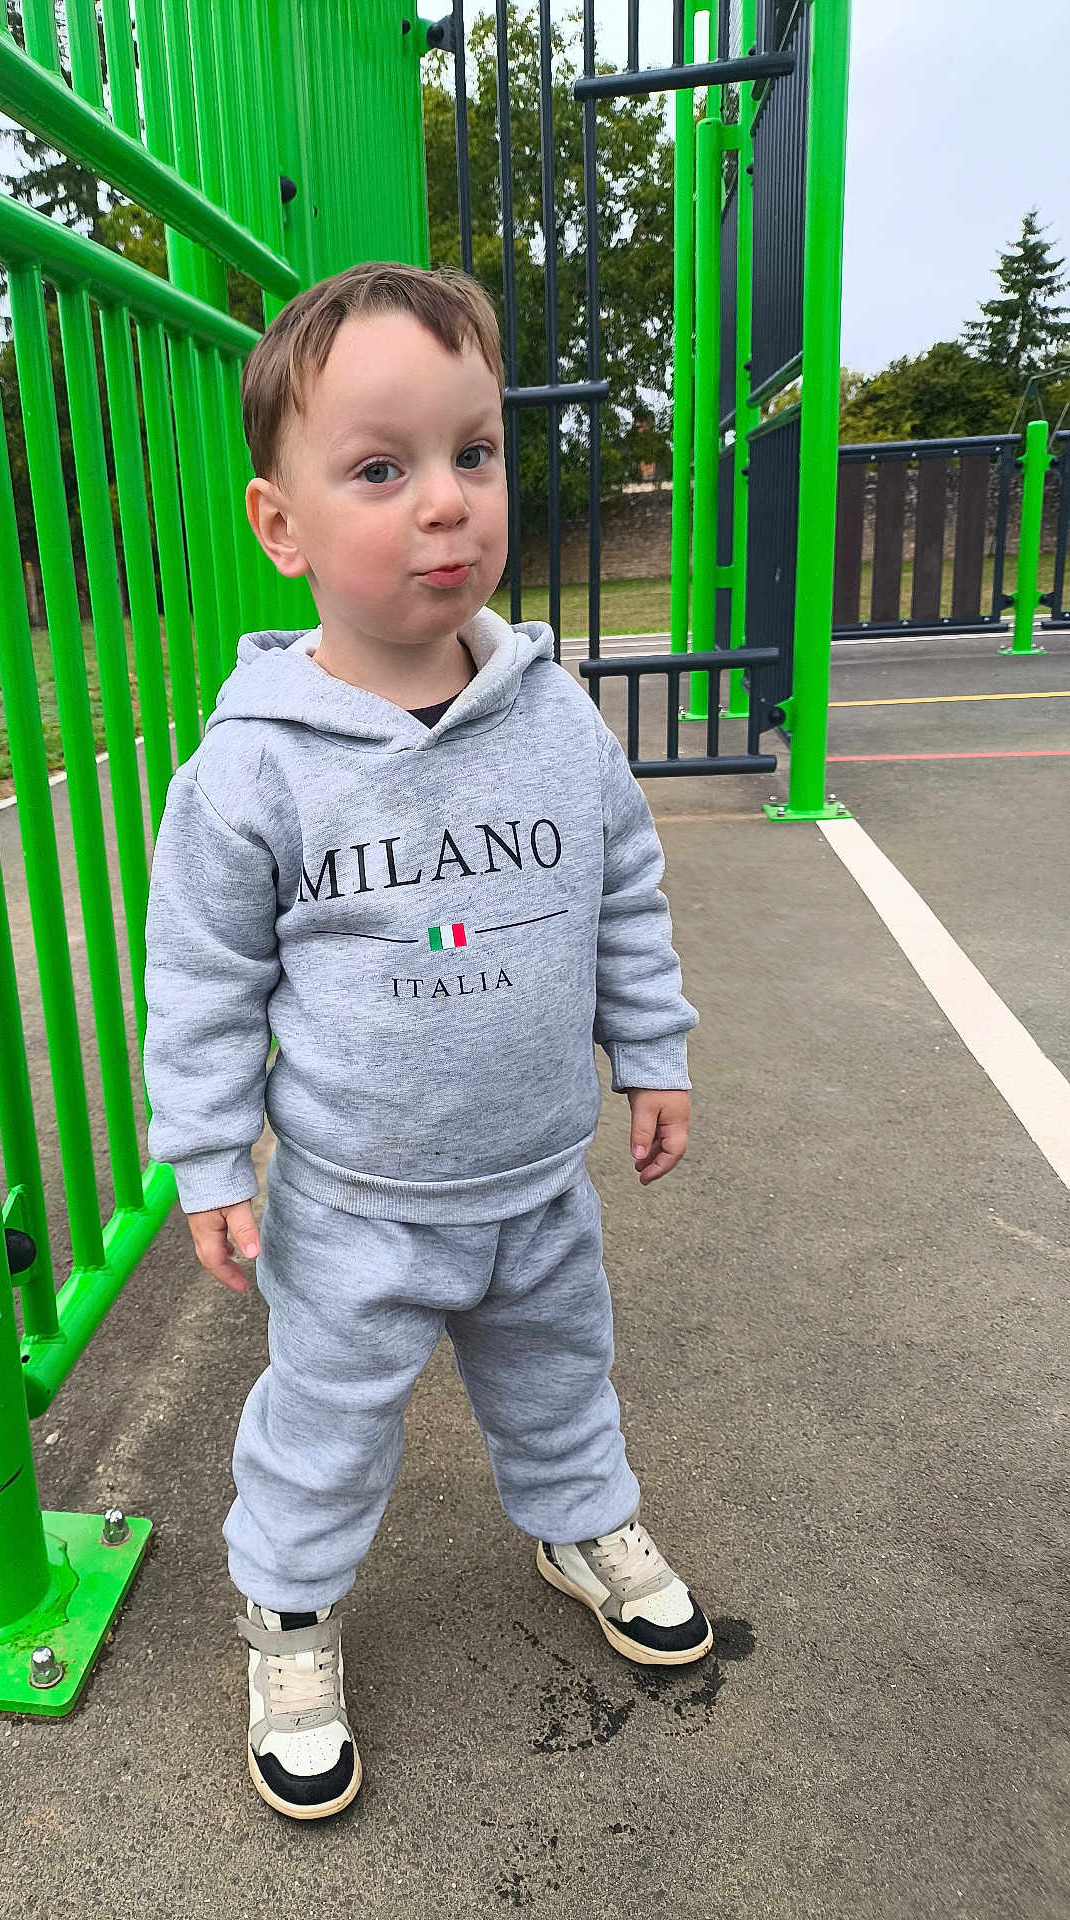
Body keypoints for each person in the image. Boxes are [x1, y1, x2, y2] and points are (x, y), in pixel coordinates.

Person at [141, 261, 709, 1823]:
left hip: (535, 1179)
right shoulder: (250, 771)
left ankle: (580, 1521)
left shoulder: (554, 716)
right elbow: (196, 975)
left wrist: (648, 1054)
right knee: (322, 1427)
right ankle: (292, 1612)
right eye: (381, 470)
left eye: (474, 454)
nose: (446, 504)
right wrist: (205, 1154)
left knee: (558, 1378)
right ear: (282, 524)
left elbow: (621, 894)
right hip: (357, 1206)